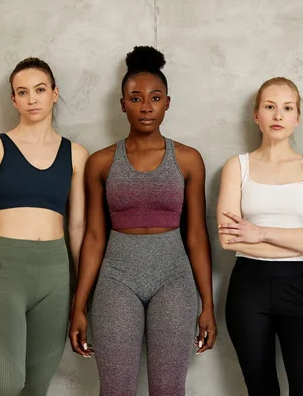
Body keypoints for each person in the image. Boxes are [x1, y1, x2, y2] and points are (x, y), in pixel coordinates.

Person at [68, 45, 217, 396]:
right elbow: (93, 237)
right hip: (117, 278)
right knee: (116, 389)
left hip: (174, 279)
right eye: (135, 98)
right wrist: (79, 306)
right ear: (122, 104)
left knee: (168, 389)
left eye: (155, 97)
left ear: (168, 102)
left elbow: (196, 236)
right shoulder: (101, 162)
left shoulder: (189, 159)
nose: (146, 106)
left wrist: (207, 304)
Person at [0, 57, 89, 395]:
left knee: (35, 388)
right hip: (7, 272)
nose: (32, 99)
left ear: (55, 93)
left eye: (40, 90)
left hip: (57, 276)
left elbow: (77, 227)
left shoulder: (76, 154)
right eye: (23, 92)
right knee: (2, 386)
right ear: (13, 99)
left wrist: (83, 294)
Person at [216, 77, 303, 396]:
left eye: (287, 108)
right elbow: (229, 240)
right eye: (269, 107)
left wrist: (259, 234)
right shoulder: (236, 167)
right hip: (248, 289)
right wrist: (301, 239)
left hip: (300, 288)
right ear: (256, 115)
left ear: (297, 118)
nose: (278, 115)